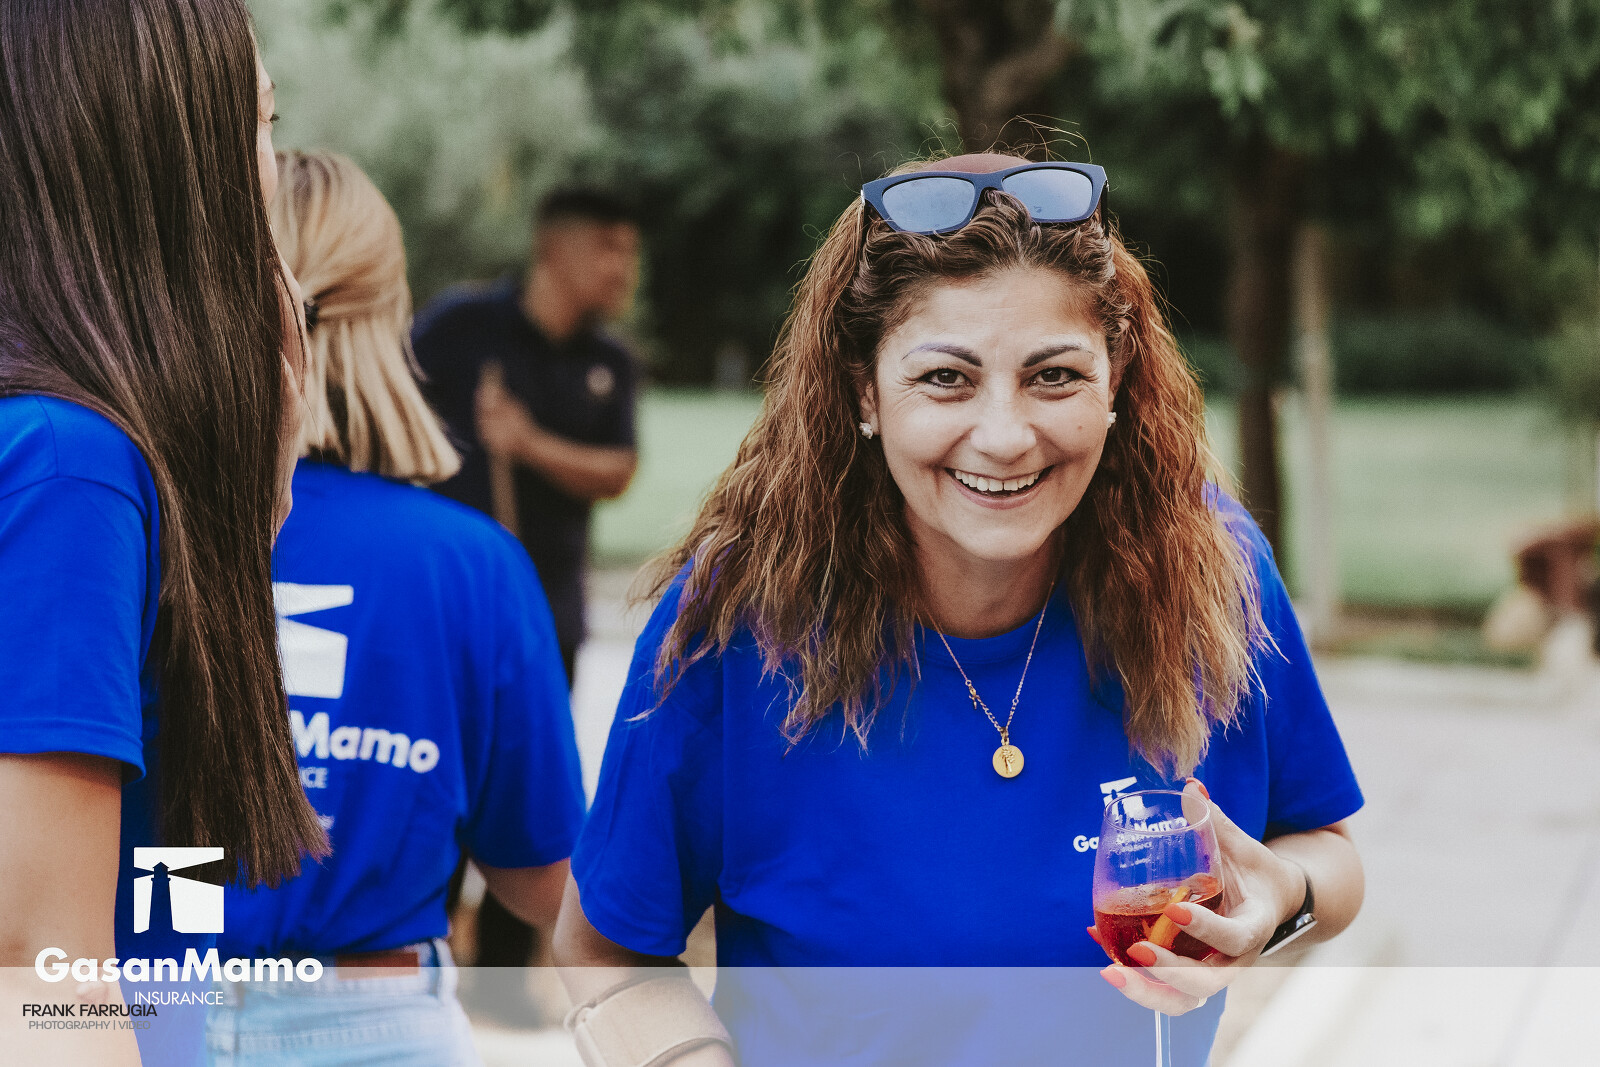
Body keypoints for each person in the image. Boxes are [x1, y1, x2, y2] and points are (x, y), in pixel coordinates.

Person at [552, 154, 1366, 1067]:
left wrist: (1281, 895)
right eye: (946, 378)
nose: (1005, 435)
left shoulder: (1213, 573)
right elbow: (603, 950)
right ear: (864, 389)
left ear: (1116, 378)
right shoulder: (738, 620)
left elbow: (1328, 853)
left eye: (1054, 375)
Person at [207, 150, 586, 1064]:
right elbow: (540, 871)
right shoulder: (469, 564)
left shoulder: (139, 530)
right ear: (387, 320)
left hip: (147, 1011)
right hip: (378, 1023)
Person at [0, 3, 324, 1065]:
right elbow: (38, 966)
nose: (271, 170)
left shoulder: (101, 465)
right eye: (260, 122)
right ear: (165, 155)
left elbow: (159, 874)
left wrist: (249, 525)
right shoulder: (69, 468)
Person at [412, 188, 641, 984]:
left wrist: (527, 441)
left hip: (547, 609)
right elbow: (388, 413)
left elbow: (618, 470)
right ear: (554, 247)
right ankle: (423, 944)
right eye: (608, 246)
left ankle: (505, 980)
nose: (623, 267)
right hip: (445, 607)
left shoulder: (611, 362)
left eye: (629, 250)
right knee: (436, 771)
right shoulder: (458, 328)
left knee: (529, 790)